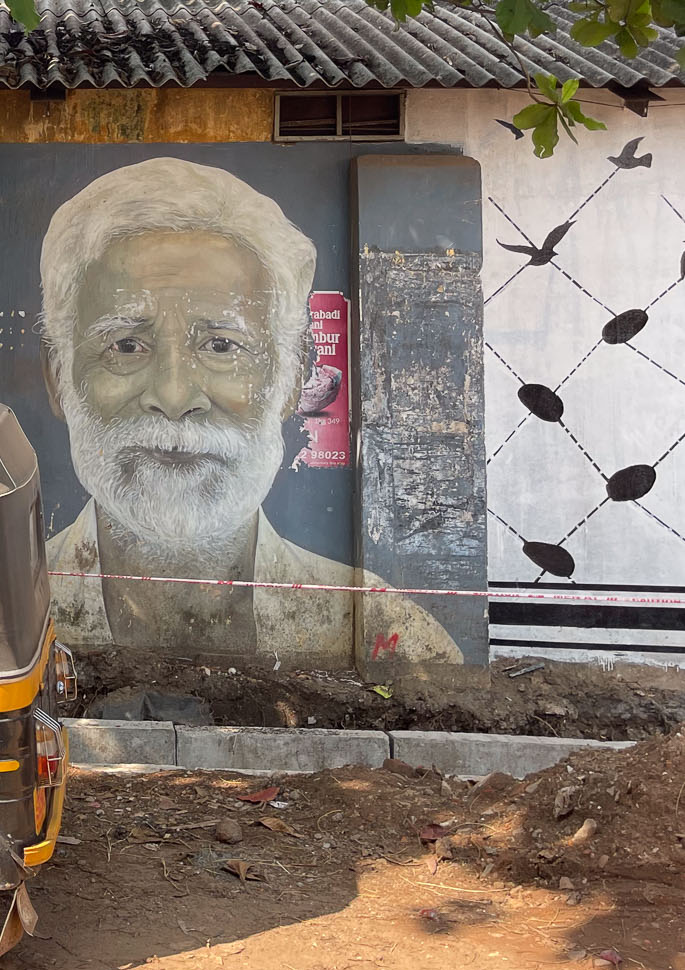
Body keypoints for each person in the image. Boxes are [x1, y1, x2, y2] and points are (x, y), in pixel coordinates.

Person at [40, 159, 460, 665]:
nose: (174, 397)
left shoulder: (397, 638)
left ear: (290, 379)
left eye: (222, 345)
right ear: (58, 378)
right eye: (126, 345)